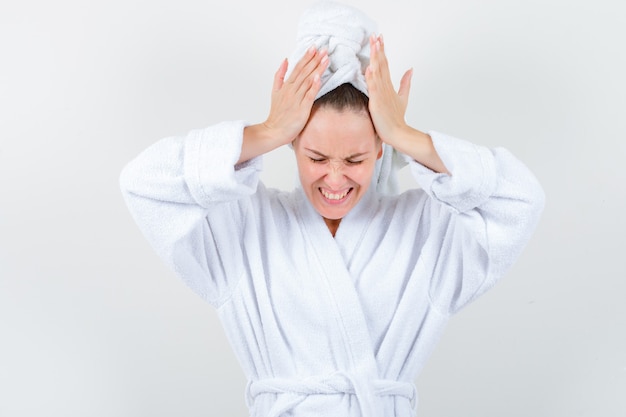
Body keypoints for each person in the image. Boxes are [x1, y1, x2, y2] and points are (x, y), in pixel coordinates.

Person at [120, 2, 544, 416]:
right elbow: (142, 183)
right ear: (291, 143)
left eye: (355, 160)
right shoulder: (245, 225)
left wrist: (405, 134)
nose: (336, 179)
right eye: (317, 158)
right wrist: (265, 131)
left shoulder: (425, 231)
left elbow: (520, 200)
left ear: (381, 150)